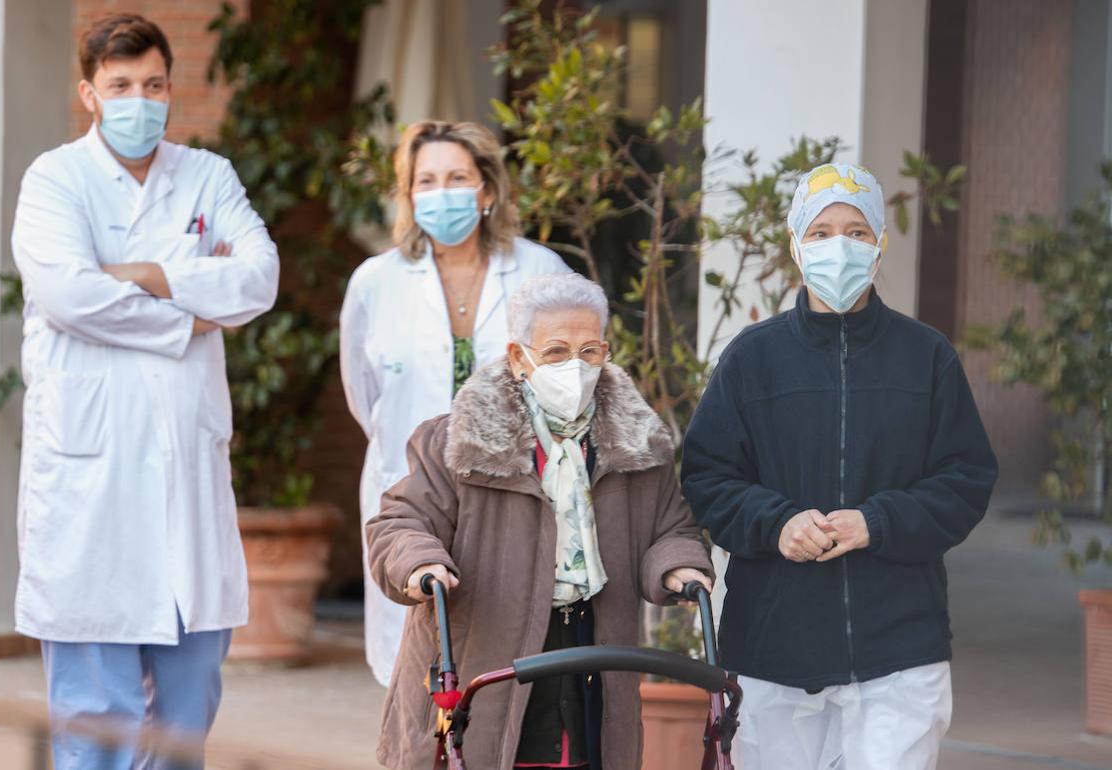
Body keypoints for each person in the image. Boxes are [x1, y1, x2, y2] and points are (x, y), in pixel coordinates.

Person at [11, 13, 279, 769]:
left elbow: (258, 277)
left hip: (187, 477)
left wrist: (152, 274)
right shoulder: (54, 180)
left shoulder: (207, 176)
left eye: (153, 84)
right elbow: (70, 296)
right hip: (91, 484)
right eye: (121, 86)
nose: (140, 100)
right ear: (89, 93)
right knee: (100, 717)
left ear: (171, 87)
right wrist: (191, 316)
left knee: (187, 716)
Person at [681, 163, 998, 770]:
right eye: (821, 232)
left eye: (856, 230)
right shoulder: (753, 358)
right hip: (773, 647)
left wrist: (876, 522)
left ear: (879, 242)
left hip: (900, 647)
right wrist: (777, 523)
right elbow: (707, 477)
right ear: (796, 243)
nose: (839, 246)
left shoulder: (926, 357)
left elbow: (966, 479)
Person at [367, 273, 714, 769]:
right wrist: (422, 562)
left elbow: (670, 528)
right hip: (484, 656)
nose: (574, 366)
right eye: (554, 352)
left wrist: (678, 565)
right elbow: (399, 522)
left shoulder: (637, 448)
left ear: (605, 352)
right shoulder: (455, 442)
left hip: (589, 652)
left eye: (588, 351)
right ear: (517, 357)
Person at [340, 120, 570, 686]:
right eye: (426, 181)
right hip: (410, 495)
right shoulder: (376, 283)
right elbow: (362, 392)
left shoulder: (541, 272)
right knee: (412, 676)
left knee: (504, 671)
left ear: (486, 190)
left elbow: (570, 382)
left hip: (515, 494)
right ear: (410, 195)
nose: (441, 193)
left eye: (457, 178)